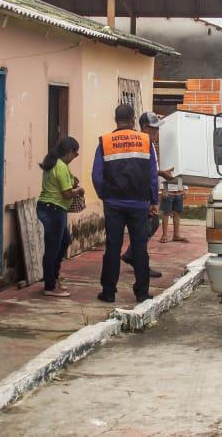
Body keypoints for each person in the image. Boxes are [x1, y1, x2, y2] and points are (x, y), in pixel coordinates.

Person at [92, 104, 159, 303]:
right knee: (140, 248)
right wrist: (153, 200)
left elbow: (96, 175)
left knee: (113, 247)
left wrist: (105, 195)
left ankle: (108, 292)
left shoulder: (105, 141)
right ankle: (141, 292)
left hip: (114, 204)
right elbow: (152, 174)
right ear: (132, 119)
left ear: (116, 119)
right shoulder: (146, 141)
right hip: (139, 204)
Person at [36, 137, 84, 297]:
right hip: (54, 209)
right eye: (75, 154)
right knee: (53, 248)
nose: (75, 157)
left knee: (63, 241)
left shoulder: (53, 163)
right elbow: (67, 193)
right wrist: (79, 191)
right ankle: (50, 286)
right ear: (70, 151)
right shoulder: (61, 166)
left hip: (48, 207)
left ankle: (53, 278)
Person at [137, 112, 188, 245]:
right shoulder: (141, 144)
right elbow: (145, 171)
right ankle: (134, 255)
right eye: (154, 127)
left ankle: (134, 254)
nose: (157, 131)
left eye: (158, 128)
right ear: (145, 127)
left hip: (147, 195)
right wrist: (154, 198)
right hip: (141, 196)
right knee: (148, 225)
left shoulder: (151, 143)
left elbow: (151, 171)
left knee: (150, 224)